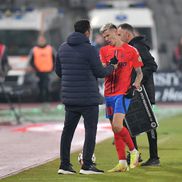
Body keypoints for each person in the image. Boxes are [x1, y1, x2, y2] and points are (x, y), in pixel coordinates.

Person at [55, 20, 116, 175]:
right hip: (88, 99)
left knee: (67, 131)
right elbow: (100, 73)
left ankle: (64, 165)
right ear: (87, 32)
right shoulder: (90, 49)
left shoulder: (62, 48)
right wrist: (111, 67)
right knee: (90, 131)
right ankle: (87, 165)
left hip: (70, 98)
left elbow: (59, 72)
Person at [99, 23, 143, 172]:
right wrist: (109, 67)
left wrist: (135, 86)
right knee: (115, 129)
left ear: (116, 33)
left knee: (118, 126)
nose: (106, 39)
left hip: (123, 93)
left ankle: (134, 151)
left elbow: (139, 73)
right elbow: (103, 71)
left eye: (108, 36)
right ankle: (122, 162)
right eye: (104, 37)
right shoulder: (104, 51)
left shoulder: (131, 50)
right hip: (108, 93)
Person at [117, 23, 160, 166]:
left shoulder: (138, 47)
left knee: (148, 124)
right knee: (129, 123)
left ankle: (154, 158)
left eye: (120, 34)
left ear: (128, 35)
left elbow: (152, 65)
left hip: (143, 93)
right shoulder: (128, 48)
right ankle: (135, 155)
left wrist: (139, 81)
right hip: (133, 92)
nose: (118, 37)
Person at [29, 35, 55, 103]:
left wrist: (53, 69)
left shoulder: (50, 48)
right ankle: (41, 100)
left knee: (47, 86)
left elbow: (55, 59)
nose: (41, 41)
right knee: (39, 87)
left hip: (48, 72)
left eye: (42, 40)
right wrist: (35, 69)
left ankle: (47, 100)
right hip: (38, 72)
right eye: (40, 40)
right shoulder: (34, 49)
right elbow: (31, 61)